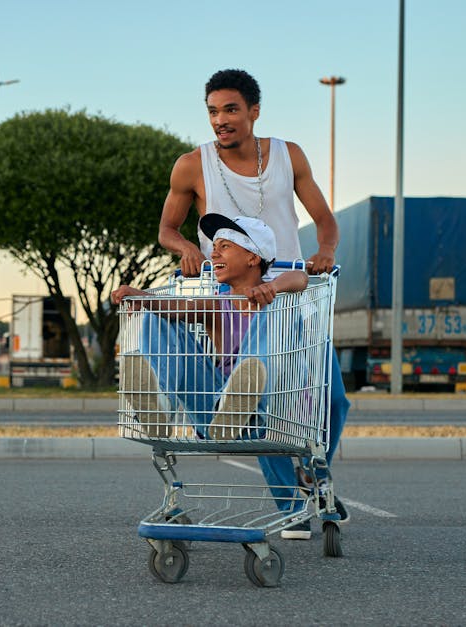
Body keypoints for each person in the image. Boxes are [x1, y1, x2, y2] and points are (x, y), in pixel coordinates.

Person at [155, 68, 349, 539]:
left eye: (230, 110)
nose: (220, 120)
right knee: (261, 398)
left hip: (292, 292)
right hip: (237, 297)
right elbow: (167, 230)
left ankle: (314, 473)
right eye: (213, 112)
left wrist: (325, 251)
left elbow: (324, 220)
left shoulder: (289, 156)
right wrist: (185, 248)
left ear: (253, 111)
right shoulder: (191, 165)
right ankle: (292, 507)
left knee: (334, 399)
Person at [113, 214, 308, 441]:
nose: (213, 254)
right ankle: (160, 405)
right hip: (214, 417)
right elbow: (176, 309)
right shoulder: (217, 304)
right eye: (214, 247)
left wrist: (273, 288)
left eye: (224, 247)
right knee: (159, 312)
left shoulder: (276, 300)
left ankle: (245, 405)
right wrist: (143, 297)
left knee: (275, 307)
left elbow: (300, 278)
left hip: (263, 417)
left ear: (253, 257)